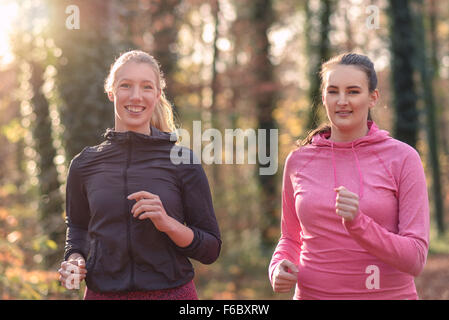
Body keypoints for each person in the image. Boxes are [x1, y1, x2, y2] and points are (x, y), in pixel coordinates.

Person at [58, 50, 221, 300]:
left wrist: (168, 224)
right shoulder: (84, 164)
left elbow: (210, 249)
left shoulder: (182, 162)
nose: (136, 96)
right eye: (126, 86)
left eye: (146, 87)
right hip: (102, 295)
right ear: (111, 92)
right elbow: (78, 229)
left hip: (171, 294)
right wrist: (75, 259)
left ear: (157, 95)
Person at [269, 53, 429, 300]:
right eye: (333, 91)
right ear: (323, 97)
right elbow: (291, 238)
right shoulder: (299, 161)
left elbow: (415, 259)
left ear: (373, 97)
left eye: (353, 91)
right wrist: (279, 266)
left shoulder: (403, 158)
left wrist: (358, 223)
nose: (342, 101)